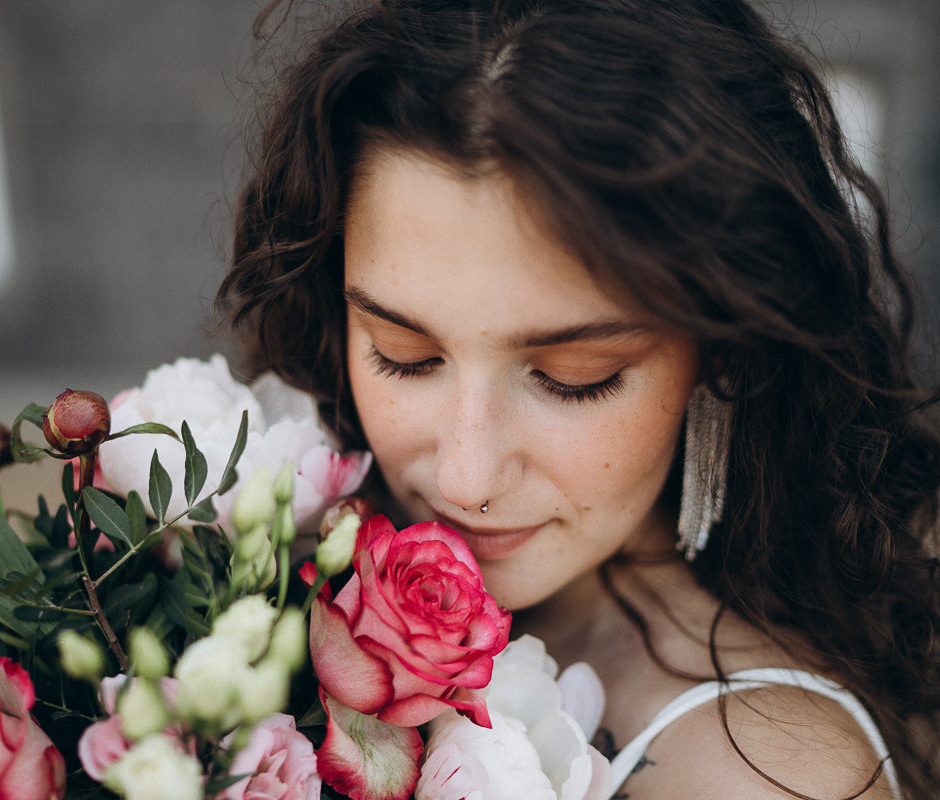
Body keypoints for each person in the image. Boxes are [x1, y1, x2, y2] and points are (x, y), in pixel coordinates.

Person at [216, 1, 940, 798]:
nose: (467, 477)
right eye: (405, 356)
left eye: (573, 375)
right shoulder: (260, 563)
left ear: (726, 346)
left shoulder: (762, 776)